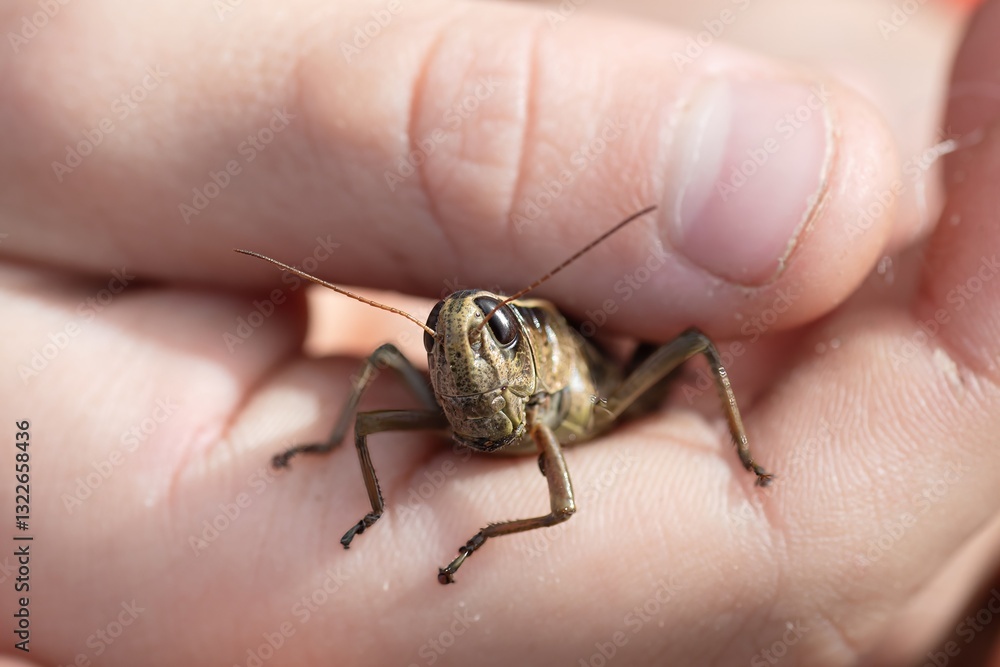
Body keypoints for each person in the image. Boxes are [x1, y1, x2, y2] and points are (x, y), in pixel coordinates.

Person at [2, 0, 999, 665]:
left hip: (597, 386)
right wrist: (327, 451)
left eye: (490, 337)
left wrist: (478, 532)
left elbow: (564, 505)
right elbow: (378, 383)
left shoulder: (557, 392)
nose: (463, 355)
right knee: (379, 379)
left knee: (691, 342)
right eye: (451, 340)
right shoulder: (421, 372)